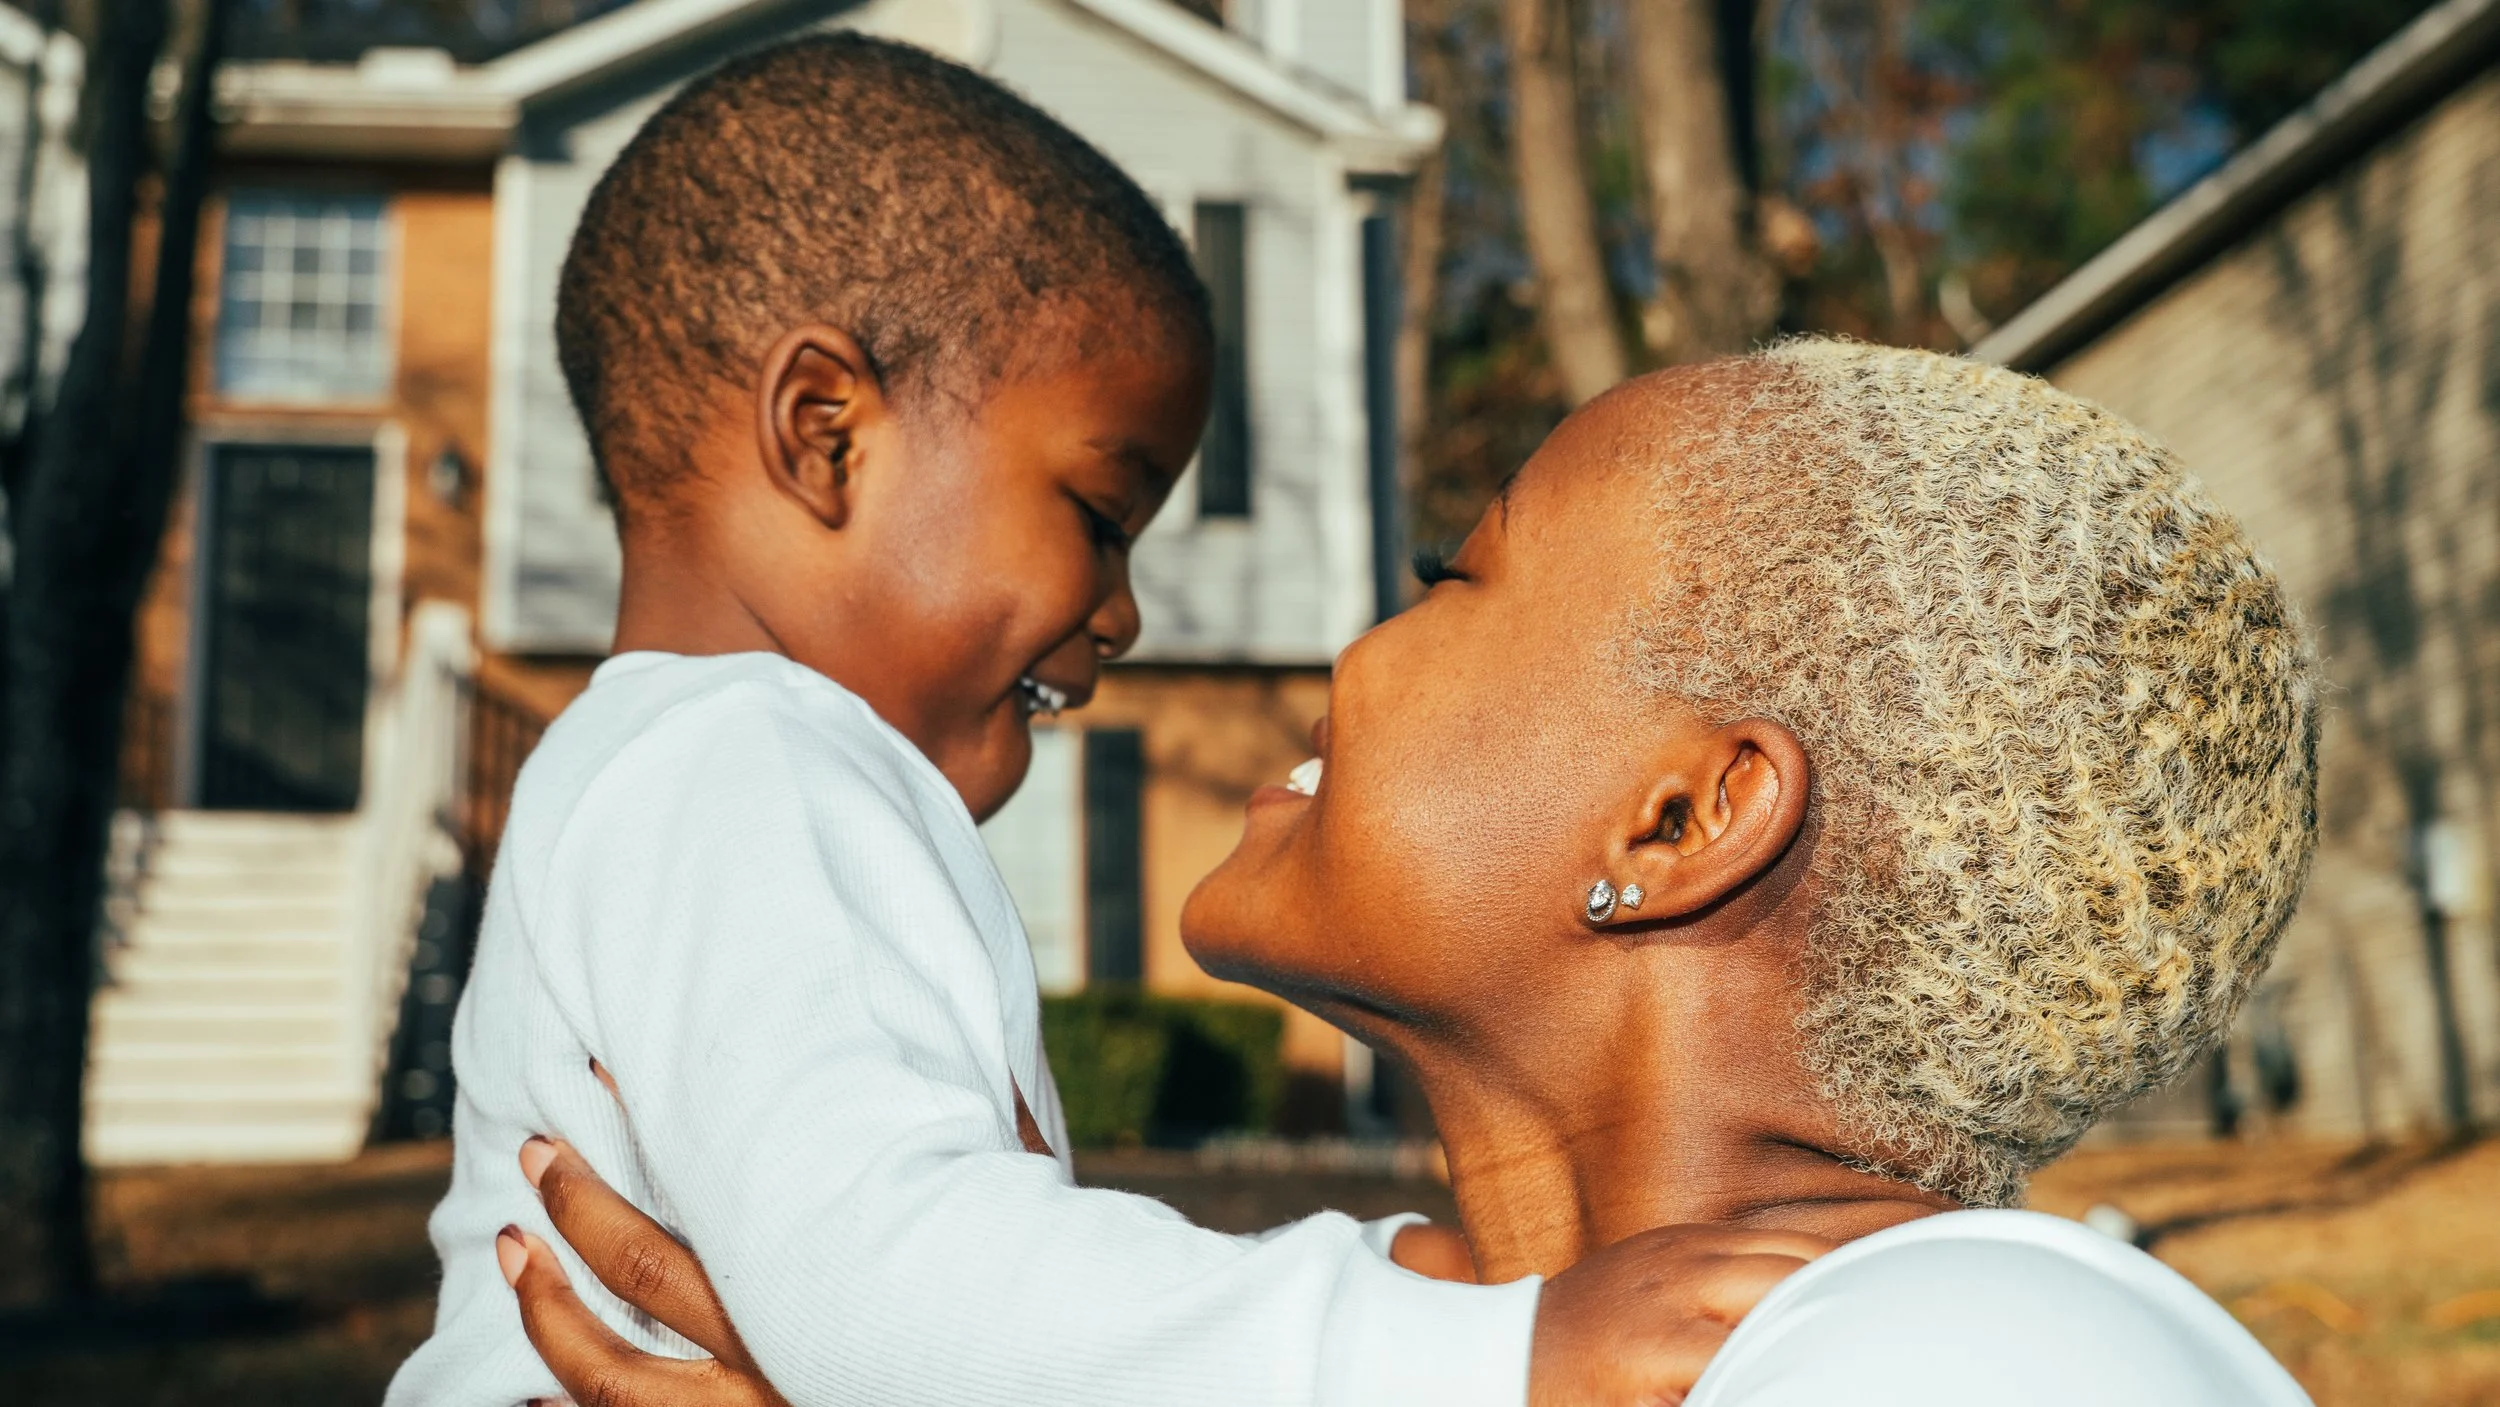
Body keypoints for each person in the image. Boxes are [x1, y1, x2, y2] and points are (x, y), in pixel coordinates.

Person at [388, 32, 1829, 1407]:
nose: (1123, 612)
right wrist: (1477, 1355)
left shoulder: (689, 772)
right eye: (1099, 512)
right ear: (826, 434)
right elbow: (897, 1284)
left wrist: (1408, 1282)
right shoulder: (746, 763)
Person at [500, 343, 2325, 1406]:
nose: (1357, 647)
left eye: (1459, 572)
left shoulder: (1981, 1358)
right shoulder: (1355, 1343)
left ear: (1679, 821)